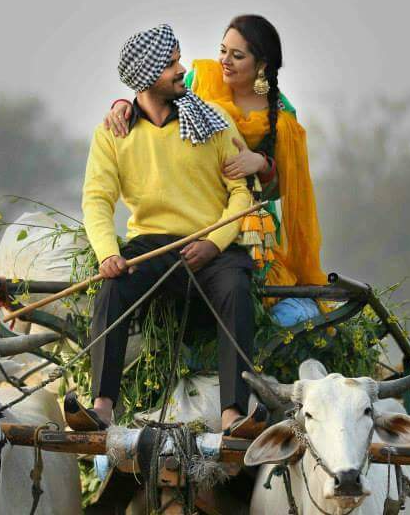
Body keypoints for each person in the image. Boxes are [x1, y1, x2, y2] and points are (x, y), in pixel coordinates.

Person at [71, 24, 266, 436]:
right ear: (145, 76)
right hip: (150, 247)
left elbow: (240, 193)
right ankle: (102, 406)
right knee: (113, 288)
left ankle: (234, 412)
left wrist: (213, 244)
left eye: (179, 60)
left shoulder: (212, 121)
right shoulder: (113, 132)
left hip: (212, 246)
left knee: (235, 288)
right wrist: (108, 253)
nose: (182, 70)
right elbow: (97, 199)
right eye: (171, 63)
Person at [104, 15, 326, 325]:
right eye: (223, 51)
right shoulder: (200, 81)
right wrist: (122, 105)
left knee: (250, 290)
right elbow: (153, 96)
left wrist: (261, 164)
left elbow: (285, 187)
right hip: (192, 207)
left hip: (247, 221)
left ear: (261, 64)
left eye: (237, 56)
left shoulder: (282, 117)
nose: (225, 61)